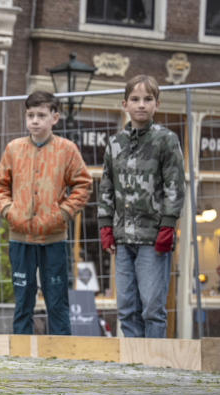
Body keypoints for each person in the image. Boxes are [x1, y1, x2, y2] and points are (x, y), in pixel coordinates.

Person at [0, 91, 91, 336]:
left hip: (54, 240)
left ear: (54, 118)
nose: (35, 120)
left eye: (41, 115)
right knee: (22, 302)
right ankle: (21, 361)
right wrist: (8, 211)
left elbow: (83, 184)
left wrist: (63, 214)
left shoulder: (67, 150)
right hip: (20, 239)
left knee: (57, 301)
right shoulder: (14, 149)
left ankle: (61, 360)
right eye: (30, 115)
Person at [99, 75, 185, 339]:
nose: (141, 105)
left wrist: (168, 225)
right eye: (135, 99)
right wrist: (105, 225)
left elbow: (175, 184)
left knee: (152, 307)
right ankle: (134, 363)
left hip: (153, 238)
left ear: (157, 104)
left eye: (148, 99)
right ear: (124, 104)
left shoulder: (166, 140)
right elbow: (106, 186)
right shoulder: (114, 143)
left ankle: (154, 365)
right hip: (123, 239)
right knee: (125, 307)